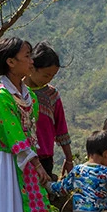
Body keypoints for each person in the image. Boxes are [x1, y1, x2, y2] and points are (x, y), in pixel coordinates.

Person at [0, 36, 50, 212]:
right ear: (11, 62)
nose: (31, 61)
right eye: (27, 56)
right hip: (6, 160)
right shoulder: (0, 97)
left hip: (25, 158)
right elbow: (15, 136)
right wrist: (36, 164)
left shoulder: (29, 96)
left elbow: (30, 132)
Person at [28, 43, 74, 179]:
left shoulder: (51, 95)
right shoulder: (17, 94)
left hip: (45, 158)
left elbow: (61, 129)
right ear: (32, 68)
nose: (49, 80)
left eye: (52, 76)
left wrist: (69, 159)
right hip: (23, 157)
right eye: (46, 75)